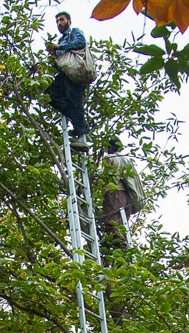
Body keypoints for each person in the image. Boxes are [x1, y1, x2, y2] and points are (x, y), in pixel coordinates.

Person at [46, 11, 90, 141]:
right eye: (57, 21)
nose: (59, 23)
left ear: (69, 22)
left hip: (76, 73)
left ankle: (81, 132)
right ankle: (80, 123)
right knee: (49, 96)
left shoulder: (74, 32)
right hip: (64, 73)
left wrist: (60, 46)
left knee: (75, 101)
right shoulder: (61, 40)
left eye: (62, 20)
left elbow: (80, 43)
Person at [100, 137, 145, 248]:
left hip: (114, 193)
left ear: (110, 147)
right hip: (126, 196)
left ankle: (116, 242)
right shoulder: (126, 160)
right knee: (123, 222)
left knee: (112, 220)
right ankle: (123, 243)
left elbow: (104, 175)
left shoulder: (110, 158)